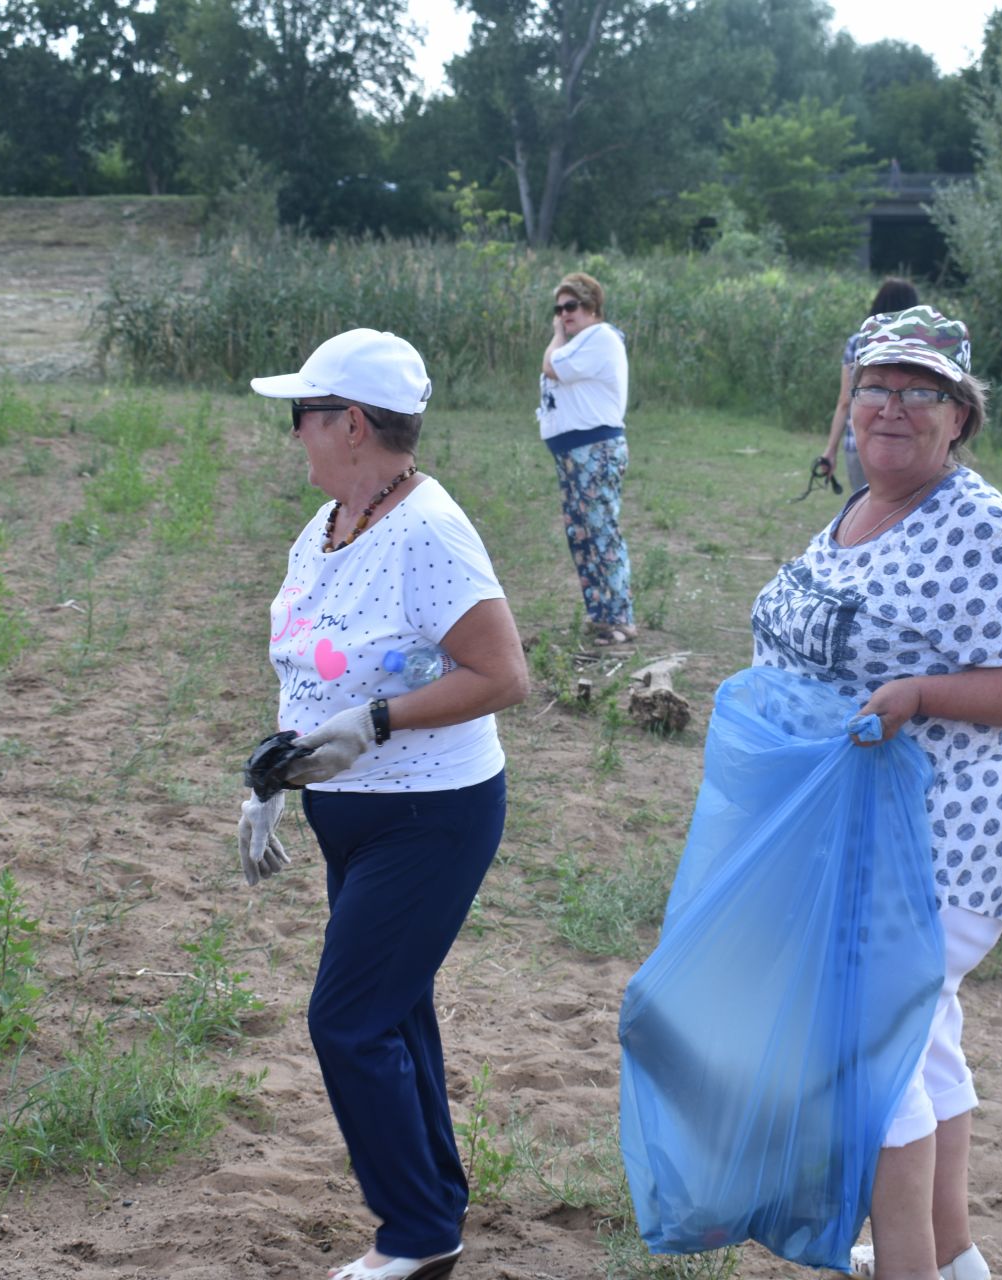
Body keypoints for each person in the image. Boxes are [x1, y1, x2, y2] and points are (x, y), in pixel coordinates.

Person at [749, 305, 1002, 1280]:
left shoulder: (985, 526)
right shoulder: (858, 506)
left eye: (921, 391)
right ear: (849, 403)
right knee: (925, 1045)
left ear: (960, 415)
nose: (892, 406)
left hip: (945, 838)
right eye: (876, 387)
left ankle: (905, 1265)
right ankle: (956, 1257)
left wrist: (921, 695)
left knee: (872, 1062)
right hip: (859, 830)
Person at [240, 328, 529, 1280]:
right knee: (395, 1013)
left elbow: (503, 674)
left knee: (348, 1020)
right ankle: (434, 1206)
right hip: (350, 813)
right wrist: (273, 780)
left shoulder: (427, 531)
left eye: (304, 417)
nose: (296, 437)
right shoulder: (327, 525)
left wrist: (378, 721)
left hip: (430, 816)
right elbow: (308, 664)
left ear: (353, 425)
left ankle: (415, 1236)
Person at [539, 271, 636, 646]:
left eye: (571, 306)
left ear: (592, 306)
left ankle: (620, 619)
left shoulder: (600, 336)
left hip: (594, 451)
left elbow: (552, 367)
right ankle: (600, 617)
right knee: (580, 534)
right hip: (572, 454)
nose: (564, 314)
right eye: (559, 309)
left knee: (600, 532)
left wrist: (557, 336)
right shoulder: (579, 344)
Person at [821, 278, 921, 494]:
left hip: (859, 440)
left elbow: (845, 401)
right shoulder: (920, 350)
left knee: (868, 507)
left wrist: (830, 451)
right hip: (908, 441)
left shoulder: (858, 342)